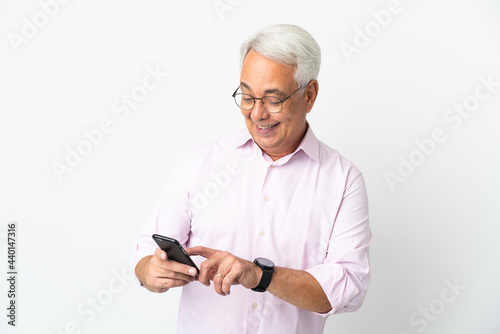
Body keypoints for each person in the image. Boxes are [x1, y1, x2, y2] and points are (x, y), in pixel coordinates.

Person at [132, 24, 372, 334]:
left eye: (273, 99)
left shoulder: (343, 181)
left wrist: (261, 275)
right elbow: (144, 253)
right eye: (247, 97)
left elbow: (349, 287)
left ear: (309, 95)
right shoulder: (201, 162)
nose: (257, 114)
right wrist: (153, 272)